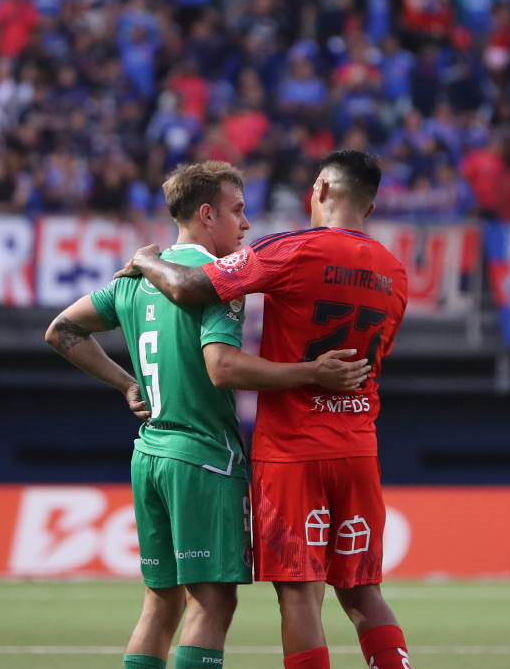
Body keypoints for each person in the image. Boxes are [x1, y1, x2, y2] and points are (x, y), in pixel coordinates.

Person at [44, 161, 369, 669]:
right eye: (237, 211)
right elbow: (224, 367)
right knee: (212, 604)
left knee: (160, 605)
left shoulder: (134, 279)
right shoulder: (219, 282)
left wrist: (126, 383)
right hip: (203, 457)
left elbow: (61, 330)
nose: (245, 224)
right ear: (206, 214)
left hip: (149, 453)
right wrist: (312, 373)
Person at [120, 150, 412, 669]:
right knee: (364, 593)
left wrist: (145, 260)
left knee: (299, 595)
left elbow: (188, 287)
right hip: (358, 445)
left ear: (322, 190)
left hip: (292, 451)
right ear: (369, 207)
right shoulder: (396, 272)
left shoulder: (291, 249)